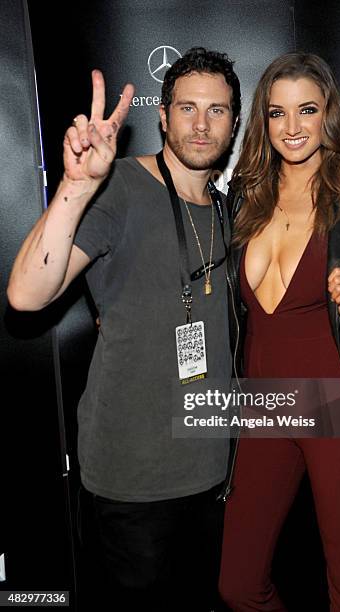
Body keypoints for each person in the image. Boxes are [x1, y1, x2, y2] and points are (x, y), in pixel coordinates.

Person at [7, 47, 241, 611]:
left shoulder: (229, 210)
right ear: (162, 116)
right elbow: (25, 295)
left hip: (212, 478)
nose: (201, 124)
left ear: (234, 121)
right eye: (187, 108)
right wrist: (77, 186)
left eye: (217, 110)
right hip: (131, 485)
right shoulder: (119, 189)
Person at [219, 52, 340, 611]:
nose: (292, 127)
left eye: (307, 110)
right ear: (263, 121)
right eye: (277, 113)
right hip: (264, 406)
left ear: (329, 117)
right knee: (237, 582)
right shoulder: (243, 201)